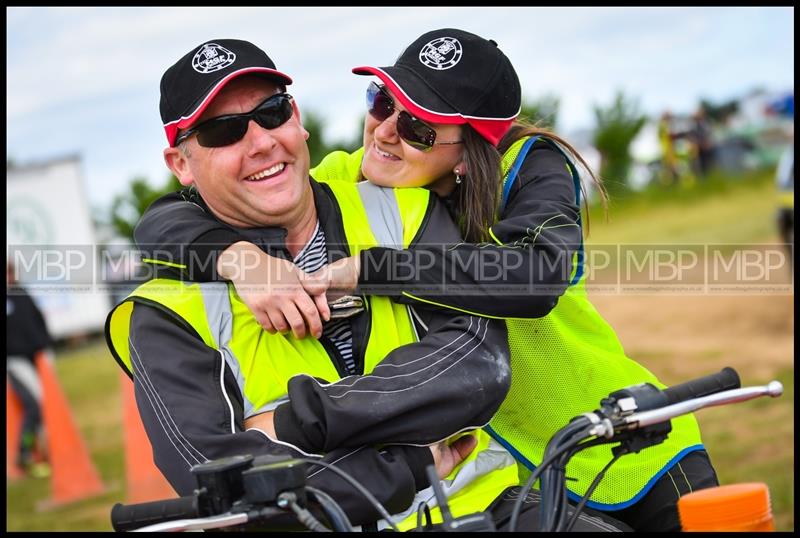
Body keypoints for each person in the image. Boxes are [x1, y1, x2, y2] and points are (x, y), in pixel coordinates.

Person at [135, 30, 719, 532]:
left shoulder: (523, 170)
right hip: (523, 473)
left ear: (470, 150)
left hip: (621, 448)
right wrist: (237, 256)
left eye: (417, 127)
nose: (385, 132)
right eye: (381, 100)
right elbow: (163, 217)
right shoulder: (356, 182)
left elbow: (534, 279)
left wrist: (369, 271)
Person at [6, 262, 52, 478]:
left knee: (46, 404)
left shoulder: (22, 292)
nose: (10, 276)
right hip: (15, 361)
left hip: (36, 356)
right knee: (33, 406)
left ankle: (47, 451)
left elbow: (38, 320)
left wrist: (44, 343)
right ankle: (24, 451)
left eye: (11, 271)